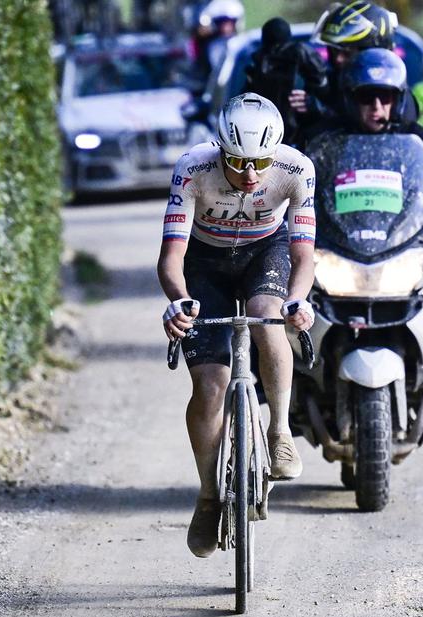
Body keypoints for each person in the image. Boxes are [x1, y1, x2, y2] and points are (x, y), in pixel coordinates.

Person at [158, 94, 316, 558]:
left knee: (269, 322)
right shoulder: (192, 168)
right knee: (210, 386)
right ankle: (208, 494)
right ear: (219, 149)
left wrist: (298, 300)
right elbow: (171, 257)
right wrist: (178, 301)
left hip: (264, 253)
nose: (250, 174)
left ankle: (280, 431)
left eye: (260, 162)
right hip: (204, 261)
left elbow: (304, 255)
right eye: (238, 161)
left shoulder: (296, 169)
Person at [309, 49, 423, 446]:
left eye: (385, 97)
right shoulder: (324, 143)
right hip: (342, 250)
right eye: (366, 97)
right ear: (349, 98)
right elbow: (305, 186)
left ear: (399, 98)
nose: (376, 106)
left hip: (400, 249)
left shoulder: (417, 141)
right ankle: (280, 389)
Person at [291, 1, 413, 133]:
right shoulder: (330, 81)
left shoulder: (395, 94)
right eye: (333, 51)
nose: (338, 59)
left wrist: (324, 112)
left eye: (347, 53)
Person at [244, 17, 328, 145]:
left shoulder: (301, 56)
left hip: (299, 140)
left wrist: (313, 105)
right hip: (261, 139)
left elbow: (329, 97)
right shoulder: (257, 63)